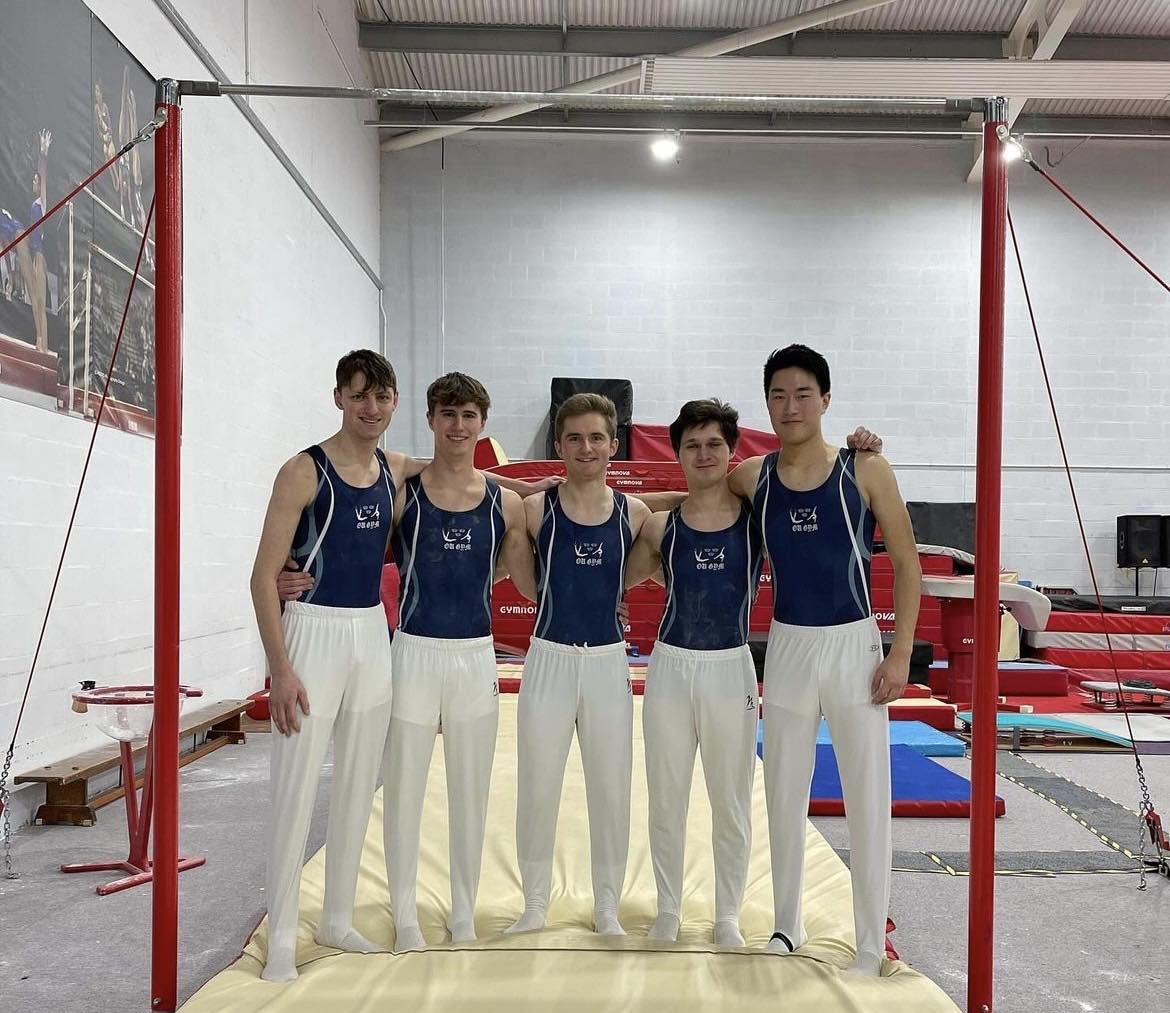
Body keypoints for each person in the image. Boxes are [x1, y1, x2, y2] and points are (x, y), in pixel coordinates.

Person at [725, 344, 920, 976]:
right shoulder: (752, 476)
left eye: (803, 394)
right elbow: (696, 495)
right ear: (767, 404)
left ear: (826, 400)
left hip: (854, 645)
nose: (791, 407)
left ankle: (868, 942)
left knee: (867, 794)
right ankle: (787, 924)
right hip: (787, 644)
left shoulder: (865, 469)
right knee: (783, 791)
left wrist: (900, 653)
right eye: (778, 396)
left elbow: (908, 564)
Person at [250, 349, 402, 982]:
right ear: (339, 397)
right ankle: (283, 935)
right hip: (312, 629)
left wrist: (551, 487)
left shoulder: (395, 468)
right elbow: (263, 578)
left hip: (371, 632)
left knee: (361, 781)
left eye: (381, 397)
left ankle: (338, 917)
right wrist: (281, 670)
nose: (371, 408)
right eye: (359, 395)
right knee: (296, 788)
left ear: (394, 403)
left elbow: (465, 475)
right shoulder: (302, 471)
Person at [382, 372, 536, 952]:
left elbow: (522, 574)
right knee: (404, 788)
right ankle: (404, 915)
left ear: (483, 424)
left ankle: (463, 910)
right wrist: (295, 576)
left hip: (474, 656)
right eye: (448, 413)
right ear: (430, 419)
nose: (458, 425)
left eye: (469, 415)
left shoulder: (505, 502)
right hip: (414, 652)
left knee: (471, 790)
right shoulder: (404, 492)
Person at [506, 394, 652, 937]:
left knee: (610, 788)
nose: (585, 448)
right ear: (558, 446)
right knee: (537, 785)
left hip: (607, 663)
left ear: (613, 445)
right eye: (574, 438)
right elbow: (526, 582)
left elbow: (691, 501)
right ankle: (534, 904)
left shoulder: (635, 514)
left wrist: (610, 594)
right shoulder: (533, 510)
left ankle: (607, 905)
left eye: (596, 438)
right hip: (549, 657)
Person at [624, 398, 764, 947]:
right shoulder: (662, 527)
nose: (704, 454)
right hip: (671, 668)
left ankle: (727, 914)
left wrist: (862, 449)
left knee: (731, 800)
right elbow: (614, 579)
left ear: (732, 451)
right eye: (692, 446)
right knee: (667, 796)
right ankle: (669, 909)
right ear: (677, 454)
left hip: (730, 667)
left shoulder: (756, 522)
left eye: (714, 444)